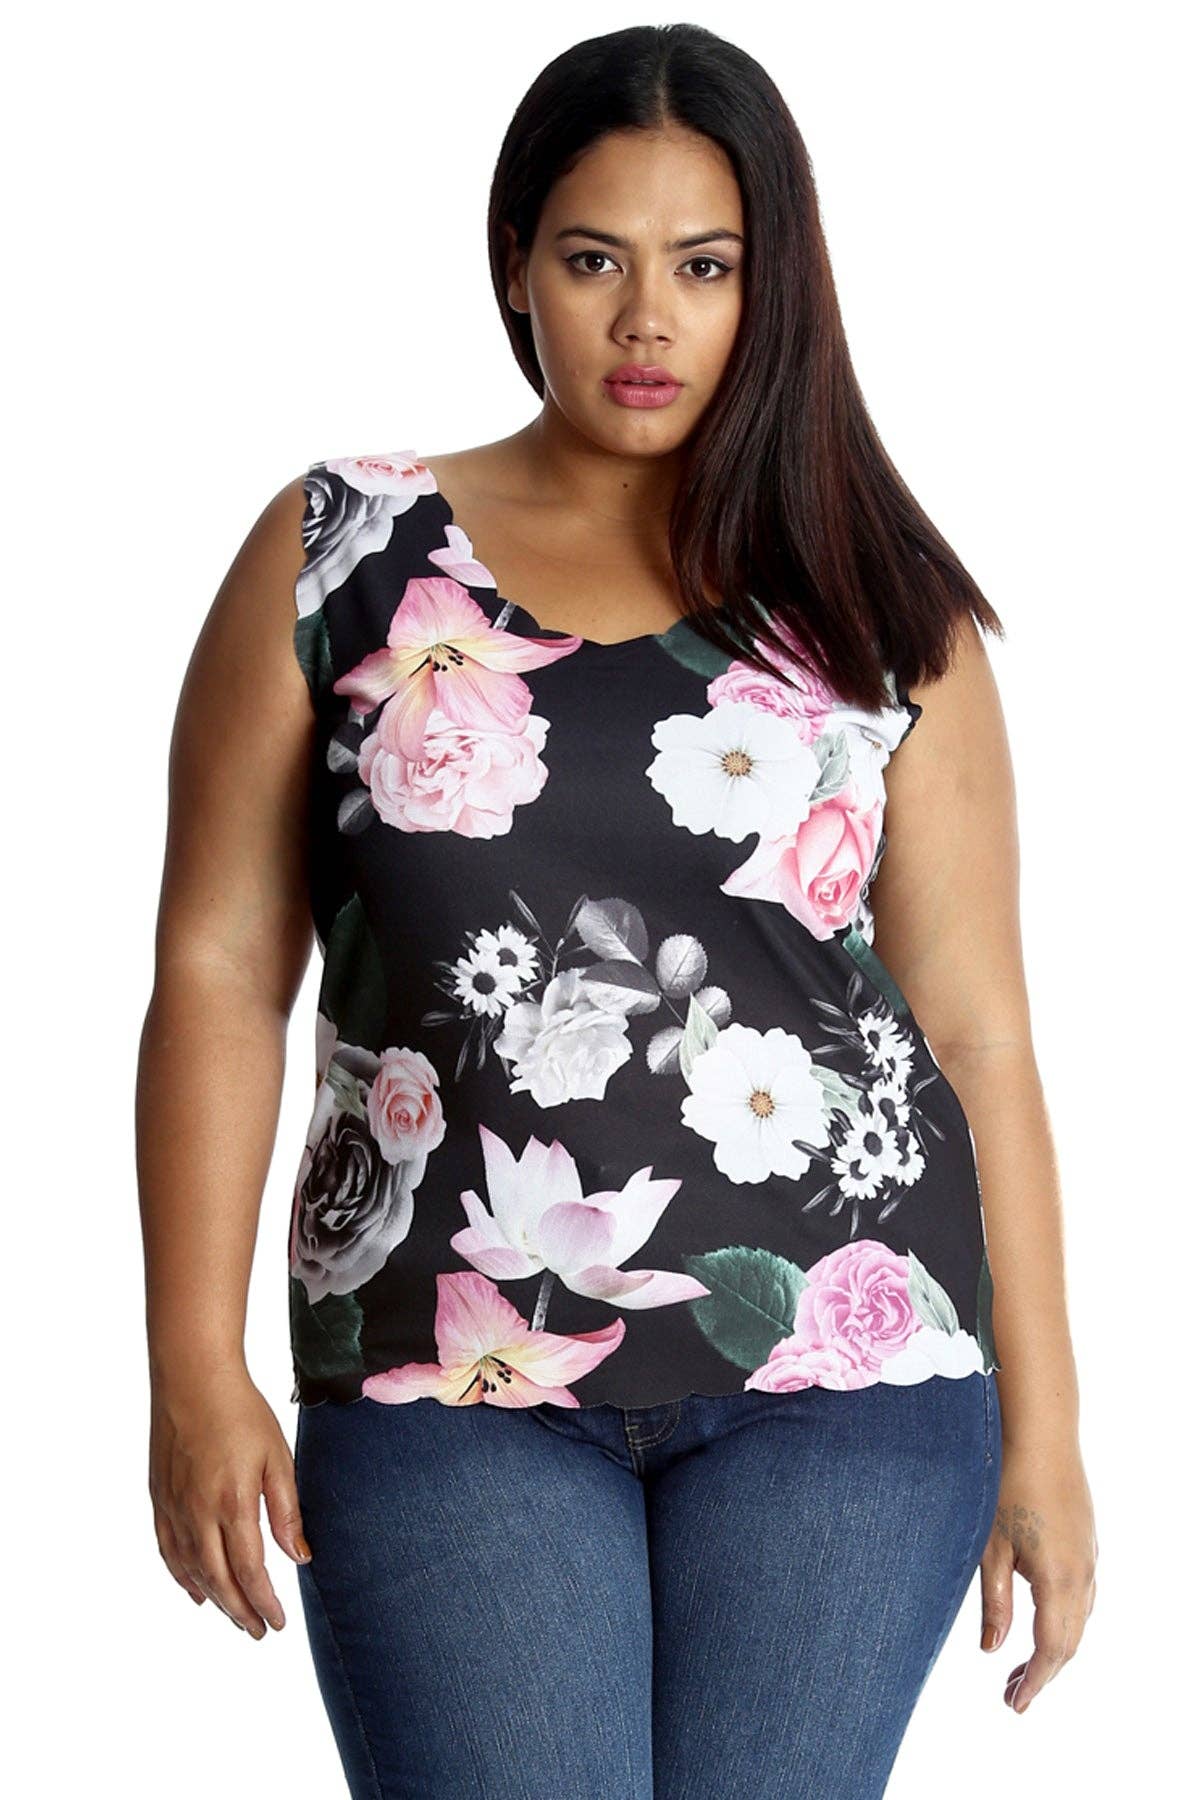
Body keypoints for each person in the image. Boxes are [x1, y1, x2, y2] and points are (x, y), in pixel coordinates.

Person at [137, 22, 1098, 1799]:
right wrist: (192, 1365)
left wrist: (1049, 1433)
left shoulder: (879, 600)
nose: (648, 320)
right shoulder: (343, 553)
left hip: (851, 1377)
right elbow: (214, 967)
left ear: (771, 283)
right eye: (596, 260)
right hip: (439, 1374)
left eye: (704, 267)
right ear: (516, 263)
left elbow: (976, 1031)